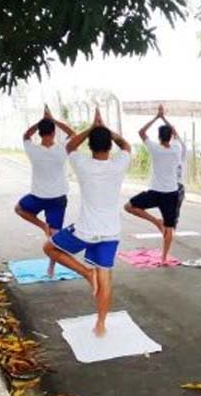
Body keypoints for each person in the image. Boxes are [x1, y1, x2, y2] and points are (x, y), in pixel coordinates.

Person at [42, 108, 131, 337]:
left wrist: (92, 128)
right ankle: (101, 324)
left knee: (49, 247)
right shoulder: (119, 164)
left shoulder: (82, 164)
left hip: (84, 230)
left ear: (90, 146)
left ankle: (84, 272)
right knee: (105, 278)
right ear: (110, 146)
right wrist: (106, 130)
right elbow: (127, 146)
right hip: (111, 232)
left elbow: (70, 146)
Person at [15, 106, 75, 277]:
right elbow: (72, 133)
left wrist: (41, 121)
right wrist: (52, 119)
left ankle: (43, 226)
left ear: (39, 134)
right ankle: (51, 268)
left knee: (18, 209)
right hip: (58, 197)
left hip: (38, 196)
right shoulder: (62, 149)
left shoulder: (32, 149)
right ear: (54, 133)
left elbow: (26, 135)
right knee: (54, 237)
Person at [124, 104, 183, 264]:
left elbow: (141, 132)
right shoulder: (177, 148)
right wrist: (164, 118)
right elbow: (175, 132)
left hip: (155, 192)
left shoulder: (155, 148)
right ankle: (164, 257)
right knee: (169, 227)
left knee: (128, 206)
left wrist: (157, 117)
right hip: (171, 193)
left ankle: (155, 221)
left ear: (159, 137)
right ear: (170, 137)